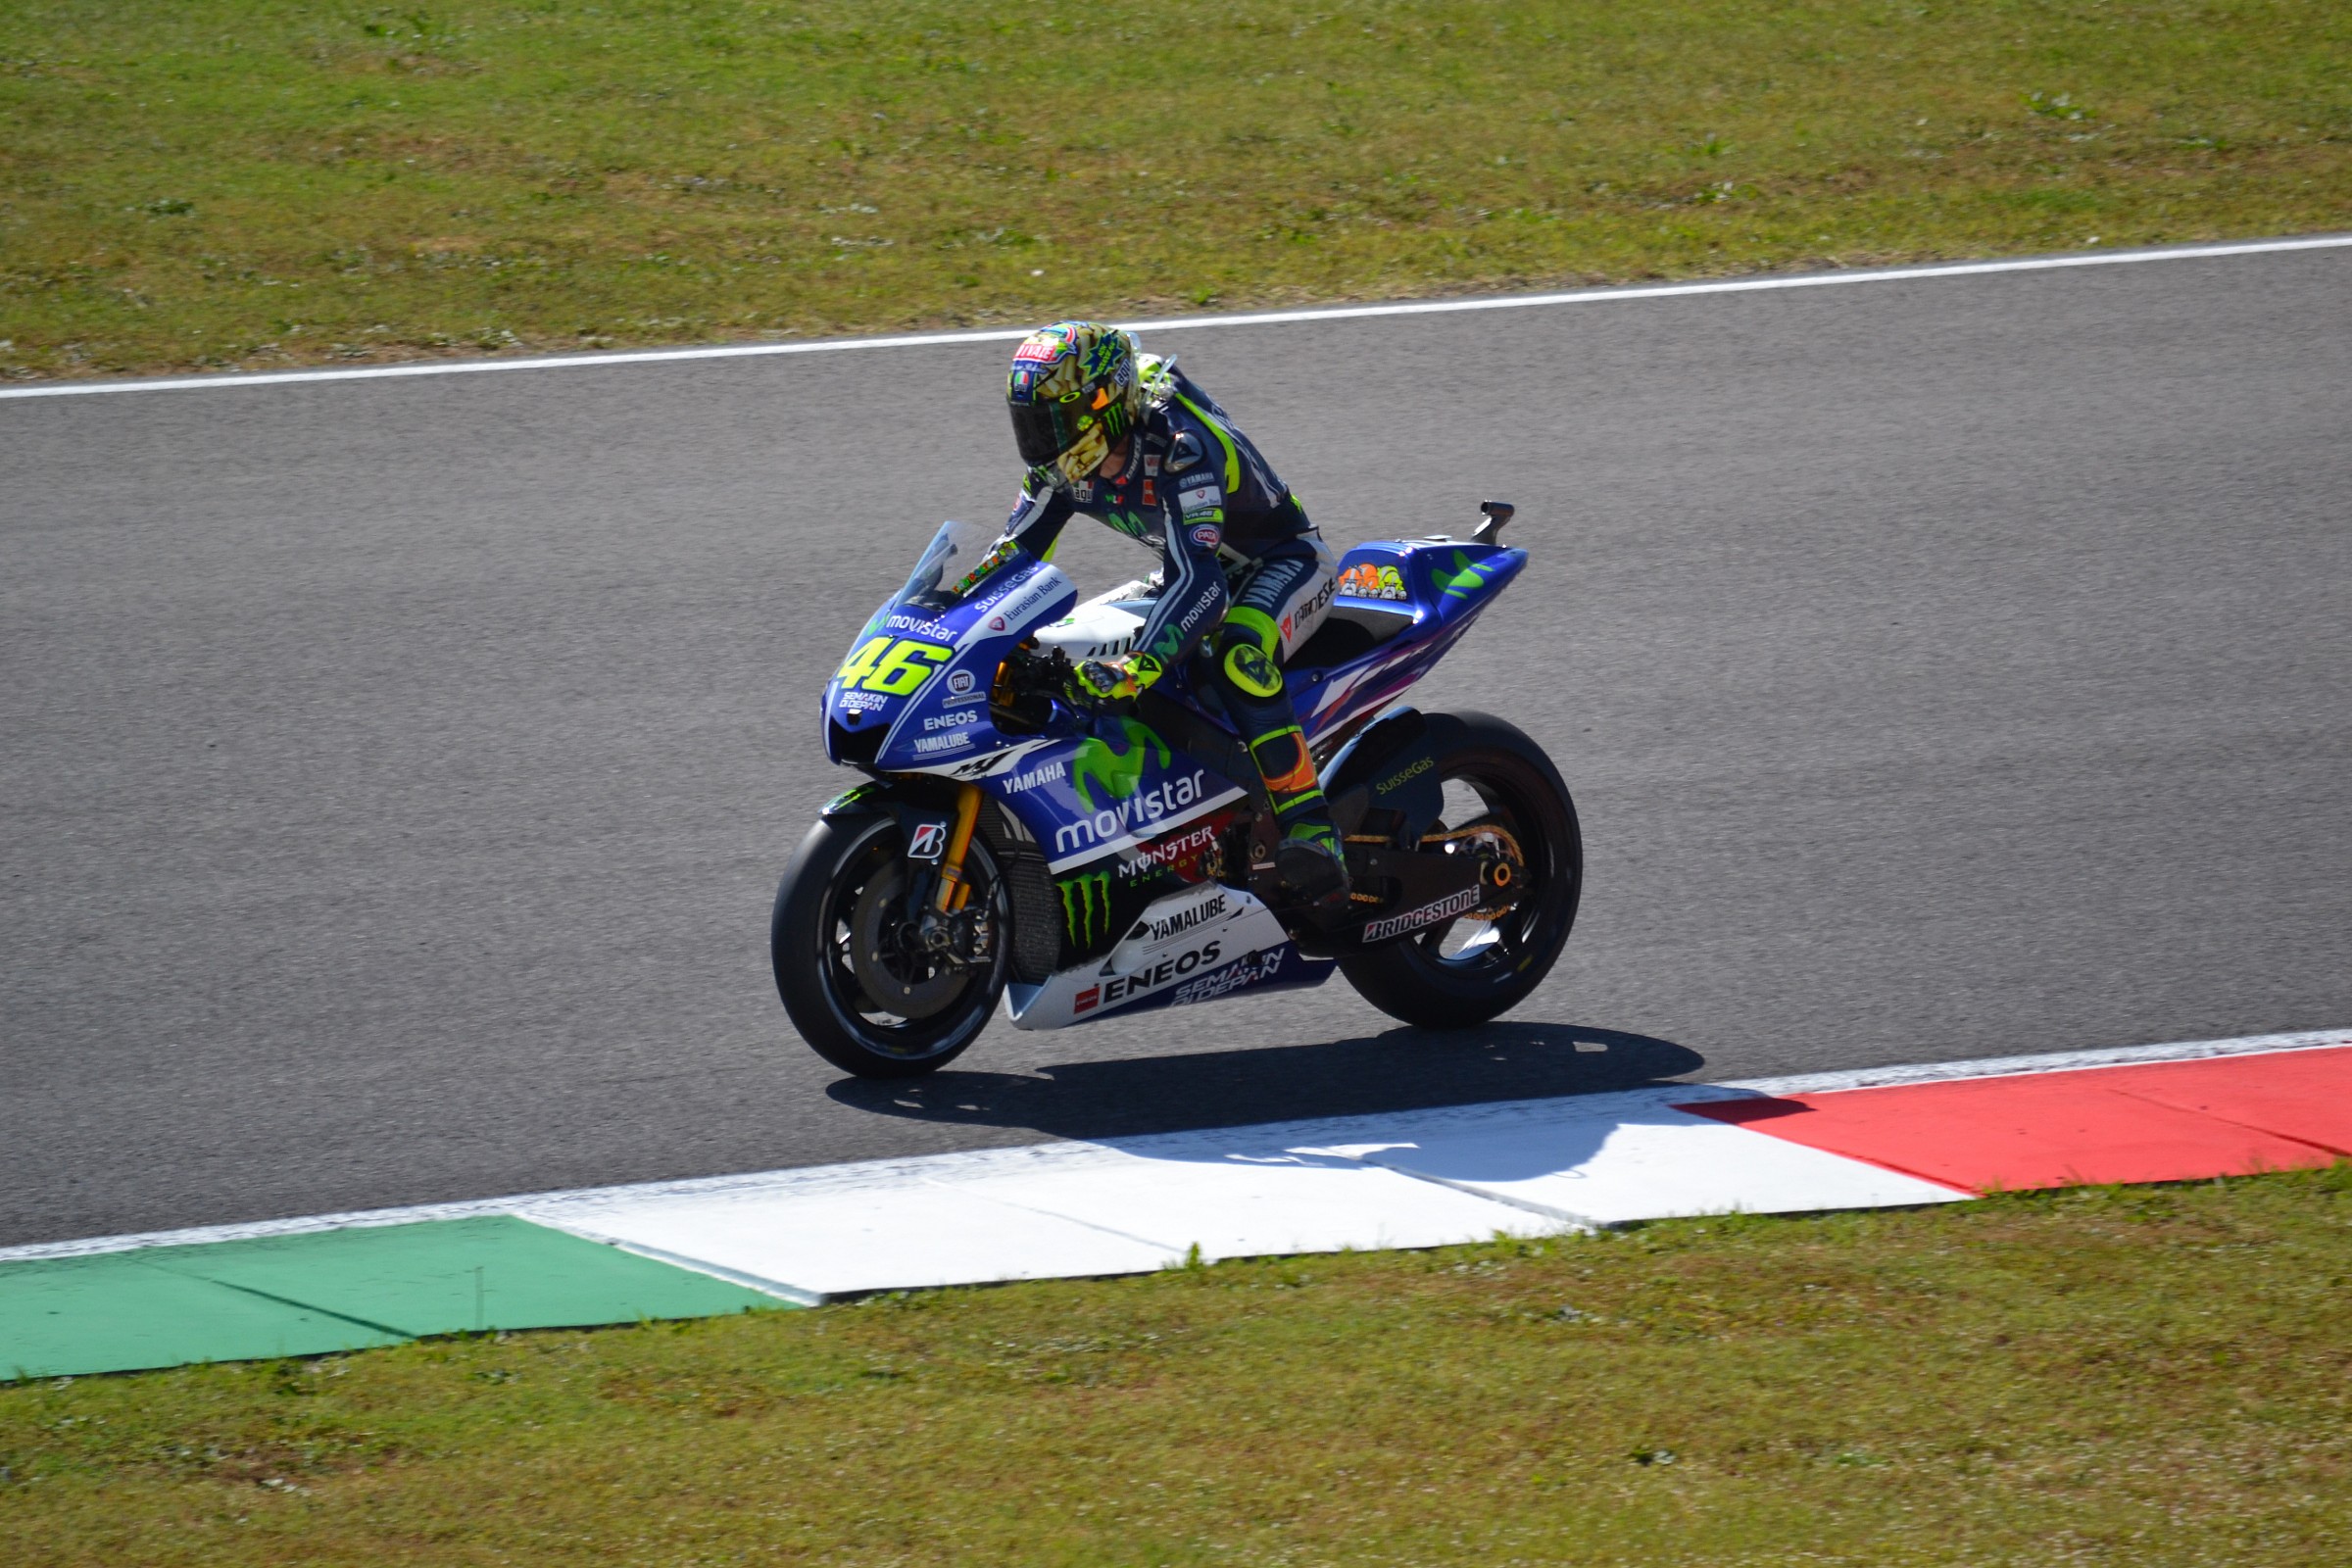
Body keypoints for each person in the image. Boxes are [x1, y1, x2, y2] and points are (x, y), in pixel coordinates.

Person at [1002, 319, 1348, 905]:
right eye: (1031, 424)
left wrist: (1137, 666)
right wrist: (950, 620)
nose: (1042, 440)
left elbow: (1203, 585)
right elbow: (1012, 559)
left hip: (1282, 563)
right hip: (1187, 571)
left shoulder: (1180, 446)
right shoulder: (1060, 468)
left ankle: (1311, 824)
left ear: (1103, 403)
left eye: (1055, 422)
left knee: (1235, 653)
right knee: (1056, 644)